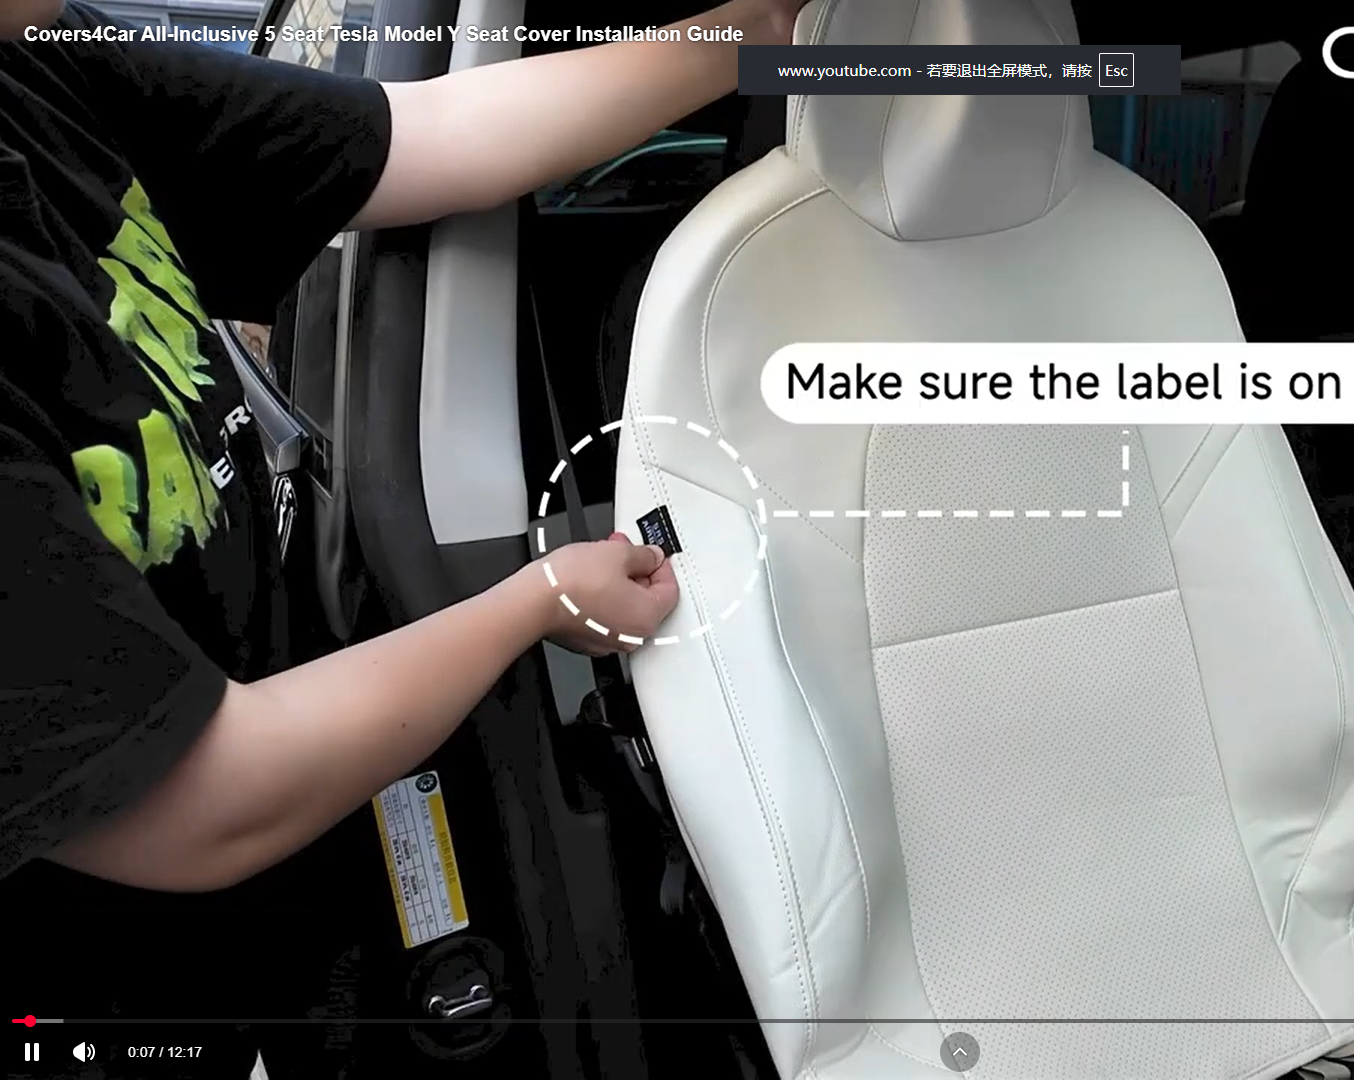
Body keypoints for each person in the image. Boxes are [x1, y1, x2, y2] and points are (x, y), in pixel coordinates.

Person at [0, 0, 801, 1072]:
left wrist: (760, 29)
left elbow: (429, 135)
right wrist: (533, 601)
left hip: (300, 890)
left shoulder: (42, 63)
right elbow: (203, 800)